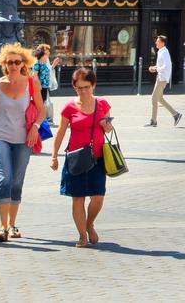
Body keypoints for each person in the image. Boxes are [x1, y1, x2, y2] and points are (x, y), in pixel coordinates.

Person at [0, 44, 46, 241]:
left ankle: (12, 225)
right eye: (9, 62)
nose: (13, 66)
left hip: (24, 139)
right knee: (5, 179)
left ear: (23, 63)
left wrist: (35, 127)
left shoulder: (31, 83)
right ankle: (2, 227)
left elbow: (42, 110)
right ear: (4, 64)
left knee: (17, 181)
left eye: (17, 62)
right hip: (0, 137)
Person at [51, 66, 111, 248]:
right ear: (74, 87)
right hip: (76, 158)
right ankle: (82, 235)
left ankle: (89, 224)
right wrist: (54, 156)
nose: (83, 91)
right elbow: (61, 132)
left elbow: (108, 129)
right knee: (78, 198)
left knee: (98, 196)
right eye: (79, 88)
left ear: (93, 86)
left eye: (87, 87)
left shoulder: (102, 104)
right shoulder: (69, 107)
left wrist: (107, 125)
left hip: (97, 157)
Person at [147, 34, 182, 127]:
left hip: (162, 78)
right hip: (161, 77)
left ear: (163, 43)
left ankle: (153, 121)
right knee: (159, 98)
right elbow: (162, 65)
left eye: (158, 41)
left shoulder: (164, 52)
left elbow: (166, 66)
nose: (156, 43)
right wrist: (155, 67)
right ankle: (176, 114)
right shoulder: (161, 51)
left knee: (154, 98)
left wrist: (155, 69)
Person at [33, 44, 56, 125]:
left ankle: (41, 119)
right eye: (46, 54)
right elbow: (35, 75)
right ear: (42, 55)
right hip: (40, 86)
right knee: (40, 103)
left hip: (45, 86)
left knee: (43, 102)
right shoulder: (37, 63)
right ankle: (37, 119)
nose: (47, 55)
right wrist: (38, 85)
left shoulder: (44, 63)